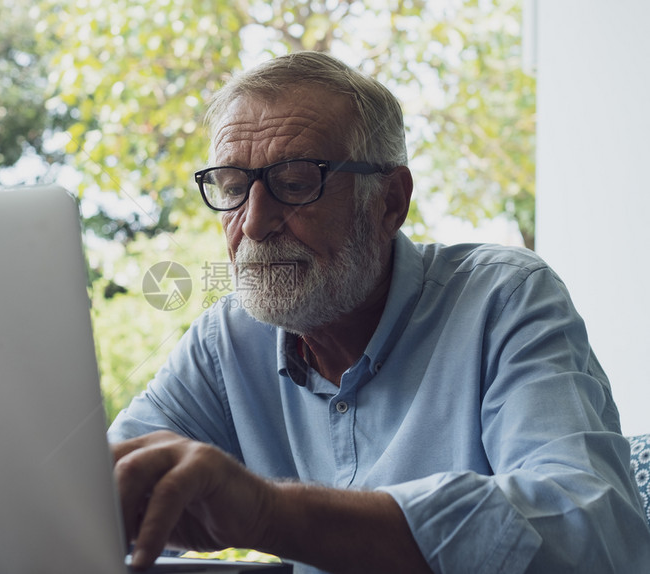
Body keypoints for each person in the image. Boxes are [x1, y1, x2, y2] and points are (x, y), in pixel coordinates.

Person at [107, 51, 650, 573]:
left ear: (390, 200)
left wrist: (271, 515)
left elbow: (591, 529)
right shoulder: (226, 341)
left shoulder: (503, 299)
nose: (251, 224)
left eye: (295, 184)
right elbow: (101, 498)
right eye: (231, 188)